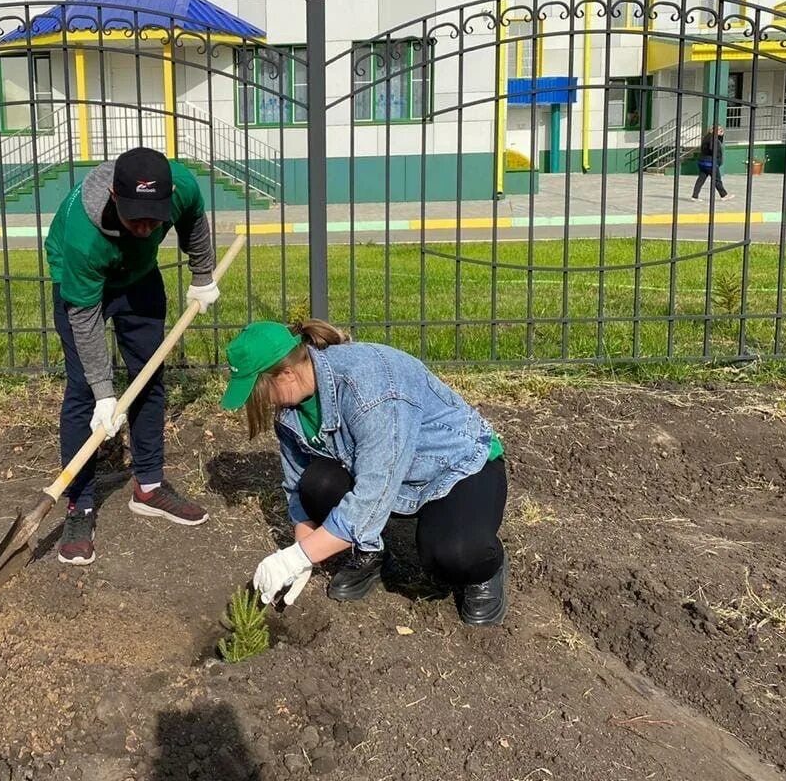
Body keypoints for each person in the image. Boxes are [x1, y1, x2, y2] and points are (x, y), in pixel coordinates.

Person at [220, 320, 510, 626]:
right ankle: (372, 553)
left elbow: (371, 500)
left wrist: (297, 557)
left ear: (287, 374)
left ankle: (486, 570)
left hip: (455, 467)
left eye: (258, 390)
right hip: (389, 477)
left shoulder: (371, 388)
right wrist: (302, 556)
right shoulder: (290, 412)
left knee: (453, 555)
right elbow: (297, 489)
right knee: (316, 484)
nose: (261, 401)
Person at [45, 146, 220, 565]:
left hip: (140, 278)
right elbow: (84, 322)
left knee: (149, 377)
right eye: (136, 217)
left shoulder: (181, 186)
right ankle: (80, 503)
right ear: (114, 198)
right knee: (84, 390)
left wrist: (202, 274)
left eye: (154, 217)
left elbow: (194, 219)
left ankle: (149, 485)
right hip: (84, 286)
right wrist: (106, 393)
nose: (146, 228)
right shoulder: (82, 237)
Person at [691, 125, 732, 202]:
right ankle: (724, 195)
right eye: (718, 129)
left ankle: (695, 196)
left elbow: (718, 143)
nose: (720, 130)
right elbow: (712, 148)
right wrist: (716, 157)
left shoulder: (709, 137)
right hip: (710, 163)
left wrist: (721, 136)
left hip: (703, 162)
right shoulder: (712, 138)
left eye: (721, 129)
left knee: (701, 179)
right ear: (712, 130)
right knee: (717, 180)